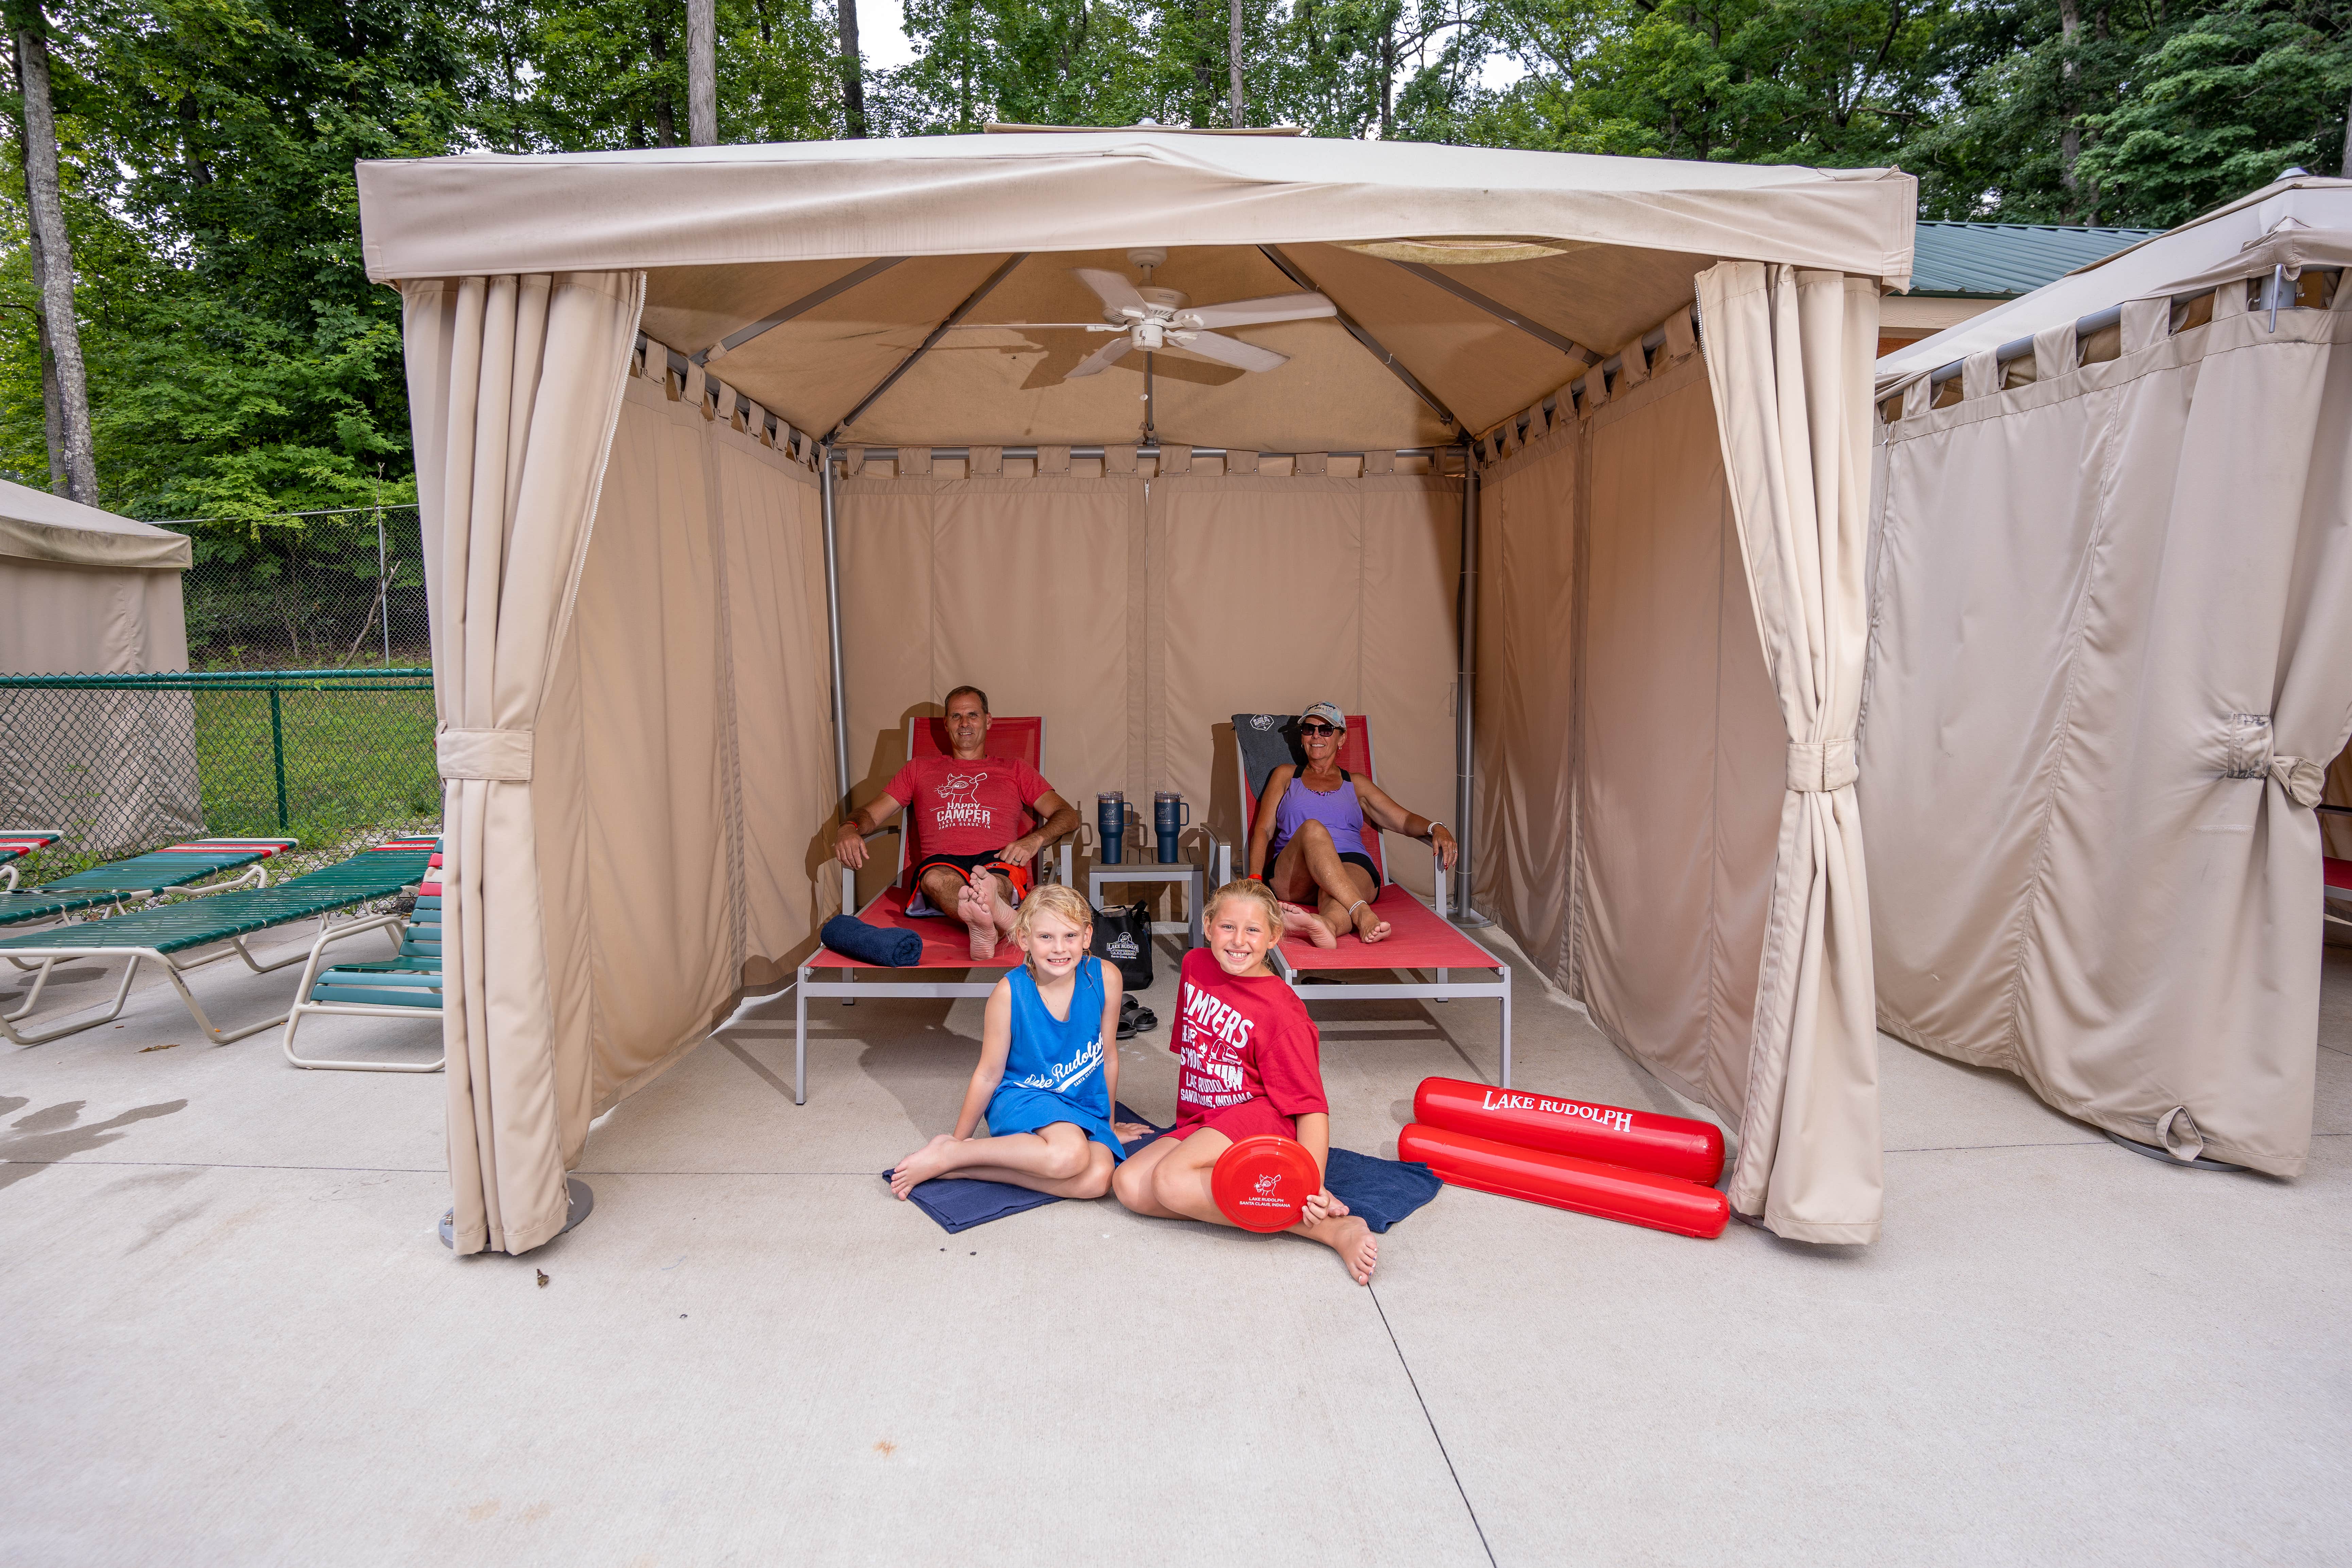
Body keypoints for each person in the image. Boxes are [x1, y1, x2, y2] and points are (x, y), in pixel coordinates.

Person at [1111, 879, 1379, 1285]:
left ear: (1273, 936)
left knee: (1171, 1181)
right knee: (1129, 1185)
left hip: (1260, 1115)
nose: (1238, 940)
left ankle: (1327, 1227)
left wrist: (1311, 1184)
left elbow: (1310, 1107)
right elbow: (1194, 1047)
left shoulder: (1283, 1012)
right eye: (1228, 926)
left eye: (1253, 929)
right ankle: (1262, 1197)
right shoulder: (1195, 965)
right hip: (1204, 1117)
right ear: (1207, 926)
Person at [888, 885, 1149, 1199]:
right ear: (1025, 939)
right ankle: (954, 1150)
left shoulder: (1106, 977)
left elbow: (1108, 1056)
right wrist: (960, 1137)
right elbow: (988, 1075)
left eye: (1070, 935)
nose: (1059, 948)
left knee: (1097, 1180)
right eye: (1046, 937)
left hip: (1079, 1099)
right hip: (1024, 1095)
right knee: (1070, 1154)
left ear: (1087, 936)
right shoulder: (1008, 993)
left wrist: (1108, 1125)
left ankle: (958, 1164)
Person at [835, 685, 1082, 961]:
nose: (965, 723)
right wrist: (849, 828)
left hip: (999, 859)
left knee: (995, 883)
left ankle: (985, 920)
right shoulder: (918, 769)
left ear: (988, 721)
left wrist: (1035, 839)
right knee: (936, 880)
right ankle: (997, 922)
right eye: (956, 716)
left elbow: (1067, 814)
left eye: (973, 715)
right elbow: (871, 814)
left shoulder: (1015, 769)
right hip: (942, 861)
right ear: (946, 723)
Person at [1244, 701, 1457, 947]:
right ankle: (1362, 912)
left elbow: (1403, 819)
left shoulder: (1355, 783)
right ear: (1302, 737)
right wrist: (1255, 880)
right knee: (1313, 828)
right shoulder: (1286, 775)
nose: (1316, 736)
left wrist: (1435, 827)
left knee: (1339, 887)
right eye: (1309, 729)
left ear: (1342, 738)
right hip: (1295, 871)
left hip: (1350, 863)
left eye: (1326, 729)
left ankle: (1327, 926)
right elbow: (1264, 830)